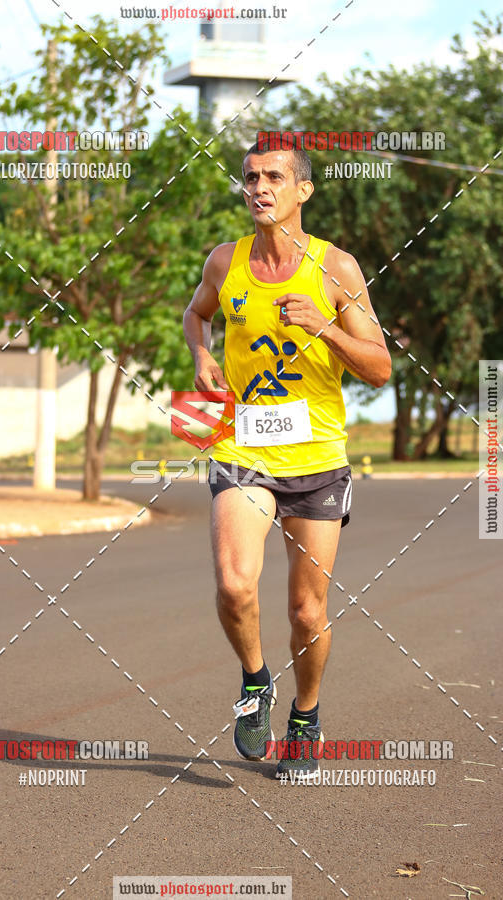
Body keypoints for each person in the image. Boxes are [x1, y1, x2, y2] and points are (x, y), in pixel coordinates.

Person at [182, 137, 391, 778]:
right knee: (234, 583)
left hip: (318, 456)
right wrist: (202, 353)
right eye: (250, 177)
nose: (260, 188)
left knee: (307, 612)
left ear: (303, 189)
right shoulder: (226, 261)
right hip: (243, 446)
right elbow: (196, 315)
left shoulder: (337, 269)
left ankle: (306, 713)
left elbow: (380, 367)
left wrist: (322, 326)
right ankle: (254, 683)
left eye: (274, 176)